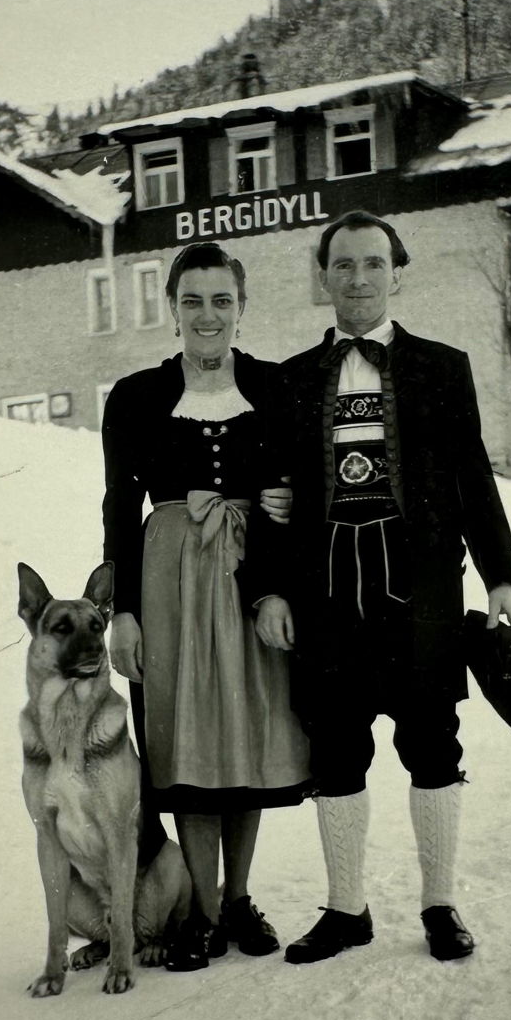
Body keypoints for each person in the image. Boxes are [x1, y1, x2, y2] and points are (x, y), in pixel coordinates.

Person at [253, 210, 511, 964]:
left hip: (421, 592)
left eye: (374, 263)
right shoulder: (292, 379)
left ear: (398, 271)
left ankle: (440, 904)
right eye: (343, 264)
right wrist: (271, 590)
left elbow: (473, 477)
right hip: (328, 592)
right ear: (324, 275)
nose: (359, 278)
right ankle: (347, 910)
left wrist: (502, 574)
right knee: (336, 751)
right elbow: (272, 494)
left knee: (431, 744)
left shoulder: (443, 366)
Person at [101, 241, 312, 972]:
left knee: (243, 732)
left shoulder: (276, 387)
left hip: (249, 572)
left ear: (242, 307)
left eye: (222, 299)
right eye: (193, 300)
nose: (207, 314)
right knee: (186, 734)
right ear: (173, 309)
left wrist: (278, 580)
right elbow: (119, 506)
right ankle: (198, 901)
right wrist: (122, 609)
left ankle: (238, 897)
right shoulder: (134, 395)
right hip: (168, 579)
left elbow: (299, 488)